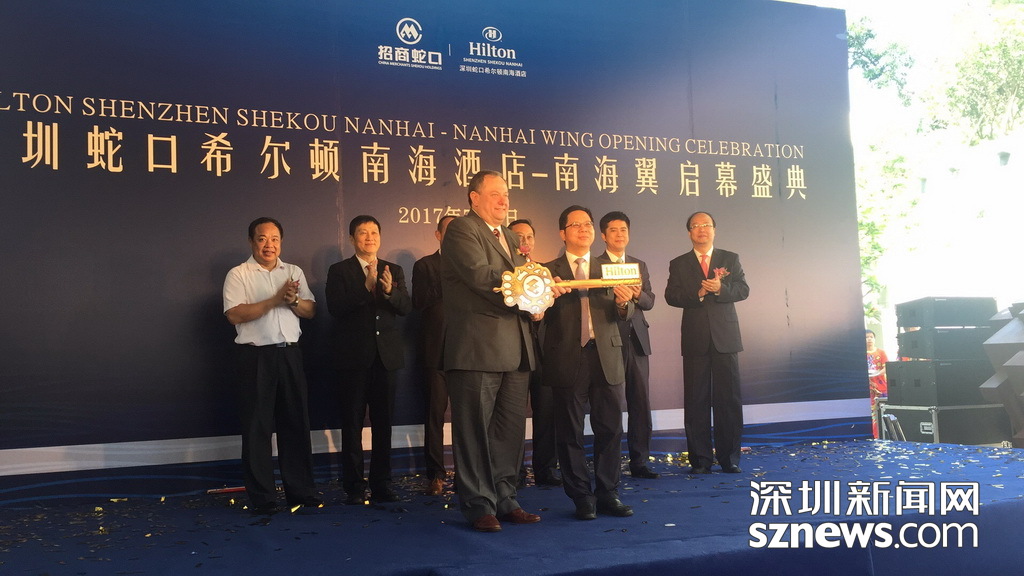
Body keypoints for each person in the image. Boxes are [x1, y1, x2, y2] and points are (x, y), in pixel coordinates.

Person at [440, 170, 546, 532]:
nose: (504, 201)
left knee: (509, 431)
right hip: (477, 348)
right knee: (474, 430)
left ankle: (505, 497)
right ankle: (478, 503)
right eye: (496, 194)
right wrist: (530, 291)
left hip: (516, 348)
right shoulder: (462, 229)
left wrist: (541, 297)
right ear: (474, 197)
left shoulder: (512, 237)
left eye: (507, 194)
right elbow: (482, 277)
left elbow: (527, 280)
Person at [542, 205, 636, 520]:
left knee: (610, 428)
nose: (584, 229)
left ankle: (608, 492)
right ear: (562, 233)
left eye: (588, 224)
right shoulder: (547, 271)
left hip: (606, 354)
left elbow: (627, 312)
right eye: (576, 225)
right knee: (570, 431)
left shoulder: (611, 267)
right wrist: (547, 297)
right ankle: (581, 496)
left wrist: (624, 303)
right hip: (568, 357)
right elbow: (535, 313)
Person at [222, 217, 322, 515]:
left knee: (296, 425)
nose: (269, 245)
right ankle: (263, 498)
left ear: (281, 242)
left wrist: (292, 301)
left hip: (290, 355)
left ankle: (301, 492)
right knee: (257, 428)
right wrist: (274, 299)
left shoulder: (293, 272)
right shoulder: (238, 274)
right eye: (262, 238)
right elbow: (234, 315)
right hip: (255, 358)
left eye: (275, 239)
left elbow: (310, 310)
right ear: (251, 241)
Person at [325, 215, 412, 505]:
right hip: (353, 359)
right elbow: (335, 307)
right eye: (363, 233)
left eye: (374, 232)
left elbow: (405, 307)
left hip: (386, 359)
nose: (369, 238)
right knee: (352, 424)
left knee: (383, 424)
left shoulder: (393, 270)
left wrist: (388, 291)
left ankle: (382, 484)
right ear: (352, 239)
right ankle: (353, 486)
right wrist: (365, 287)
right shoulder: (339, 271)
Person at [664, 211, 749, 475]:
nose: (702, 229)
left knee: (729, 399)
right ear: (689, 232)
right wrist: (698, 293)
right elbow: (671, 296)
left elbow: (743, 290)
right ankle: (700, 460)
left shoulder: (730, 258)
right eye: (696, 225)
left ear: (714, 230)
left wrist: (721, 289)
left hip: (726, 337)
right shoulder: (679, 263)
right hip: (695, 339)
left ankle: (729, 458)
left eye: (706, 225)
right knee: (696, 400)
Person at [596, 211, 659, 480]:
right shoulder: (595, 265)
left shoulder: (638, 264)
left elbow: (650, 301)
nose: (619, 234)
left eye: (623, 230)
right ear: (603, 235)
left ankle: (640, 461)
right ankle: (609, 467)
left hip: (637, 341)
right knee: (610, 405)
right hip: (609, 340)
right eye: (613, 230)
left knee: (640, 402)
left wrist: (637, 294)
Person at [509, 218, 561, 487]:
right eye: (519, 237)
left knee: (547, 413)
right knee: (513, 416)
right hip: (514, 352)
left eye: (529, 237)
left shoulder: (544, 272)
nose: (525, 242)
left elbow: (555, 311)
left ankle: (546, 469)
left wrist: (543, 312)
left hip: (543, 352)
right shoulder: (505, 274)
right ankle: (513, 472)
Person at [412, 214, 457, 495]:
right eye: (448, 231)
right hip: (435, 352)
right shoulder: (425, 265)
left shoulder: (473, 266)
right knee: (434, 416)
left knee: (468, 418)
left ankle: (468, 474)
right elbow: (418, 302)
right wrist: (446, 276)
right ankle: (436, 475)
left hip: (467, 352)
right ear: (438, 235)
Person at [866, 329, 889, 439]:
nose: (869, 339)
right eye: (866, 337)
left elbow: (886, 367)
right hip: (868, 389)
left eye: (871, 337)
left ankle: (882, 435)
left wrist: (877, 374)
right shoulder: (859, 354)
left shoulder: (881, 352)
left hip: (881, 387)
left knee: (881, 411)